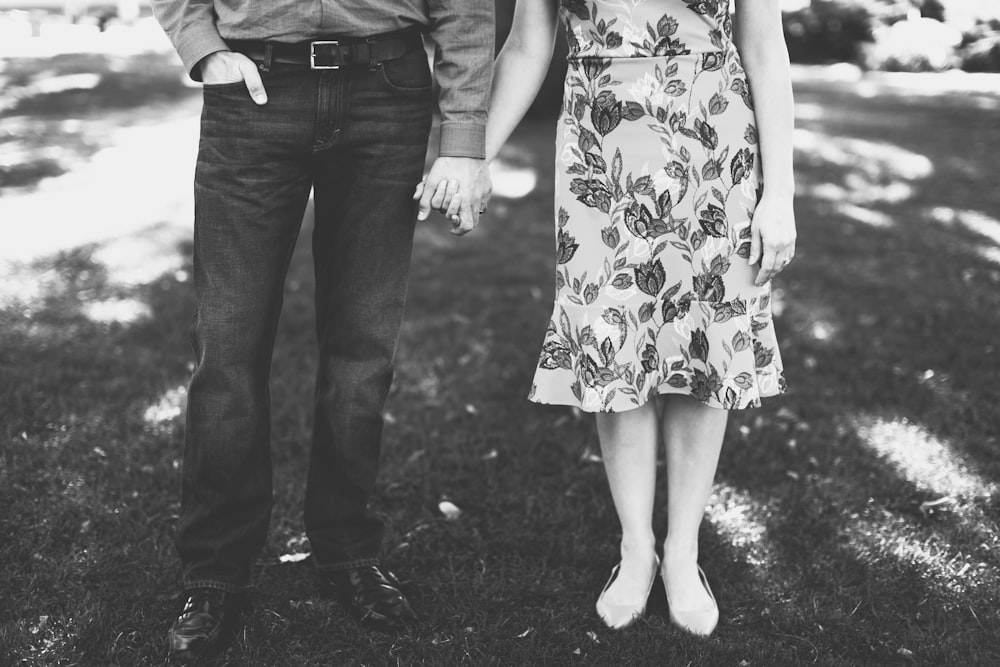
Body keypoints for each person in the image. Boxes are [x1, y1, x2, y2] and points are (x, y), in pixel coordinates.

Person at [429, 0, 794, 636]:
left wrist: (780, 195)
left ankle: (683, 552)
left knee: (703, 348)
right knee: (611, 346)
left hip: (715, 146)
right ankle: (635, 549)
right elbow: (526, 46)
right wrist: (470, 157)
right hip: (602, 150)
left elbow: (764, 47)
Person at [149, 0, 494, 660]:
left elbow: (466, 9)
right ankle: (215, 571)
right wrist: (201, 46)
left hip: (386, 93)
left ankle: (346, 552)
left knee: (363, 350)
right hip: (251, 90)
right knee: (228, 347)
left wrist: (464, 139)